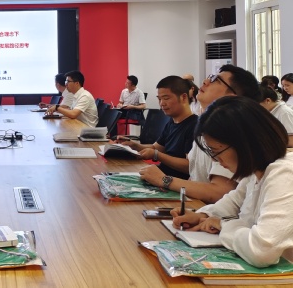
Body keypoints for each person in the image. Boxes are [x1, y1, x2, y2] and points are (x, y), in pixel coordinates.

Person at [171, 96, 293, 268]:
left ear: (245, 143)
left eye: (215, 151)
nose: (215, 159)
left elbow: (261, 251)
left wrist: (223, 225)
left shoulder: (284, 173)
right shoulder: (256, 171)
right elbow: (232, 203)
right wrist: (202, 216)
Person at [139, 64, 260, 203]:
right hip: (196, 206)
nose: (205, 81)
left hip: (210, 211)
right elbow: (195, 175)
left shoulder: (230, 133)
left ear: (231, 96)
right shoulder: (204, 127)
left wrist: (164, 180)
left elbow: (219, 192)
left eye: (215, 80)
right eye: (210, 77)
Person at [113, 76, 196, 179]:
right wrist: (133, 145)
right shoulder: (171, 123)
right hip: (160, 175)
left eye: (166, 98)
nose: (162, 103)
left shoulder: (194, 126)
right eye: (159, 99)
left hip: (173, 182)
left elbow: (189, 167)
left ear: (183, 97)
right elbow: (155, 148)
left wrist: (157, 155)